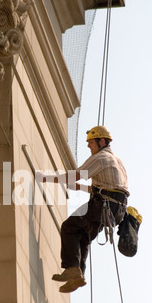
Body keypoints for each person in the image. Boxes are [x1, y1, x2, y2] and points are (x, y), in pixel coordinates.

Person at [36, 126, 129, 293]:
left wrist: (46, 178)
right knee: (84, 236)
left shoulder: (100, 157)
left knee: (69, 227)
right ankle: (77, 276)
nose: (88, 146)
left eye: (91, 142)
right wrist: (79, 188)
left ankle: (72, 269)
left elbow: (74, 175)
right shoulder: (117, 161)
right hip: (115, 210)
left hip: (102, 206)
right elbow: (107, 188)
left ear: (102, 141)